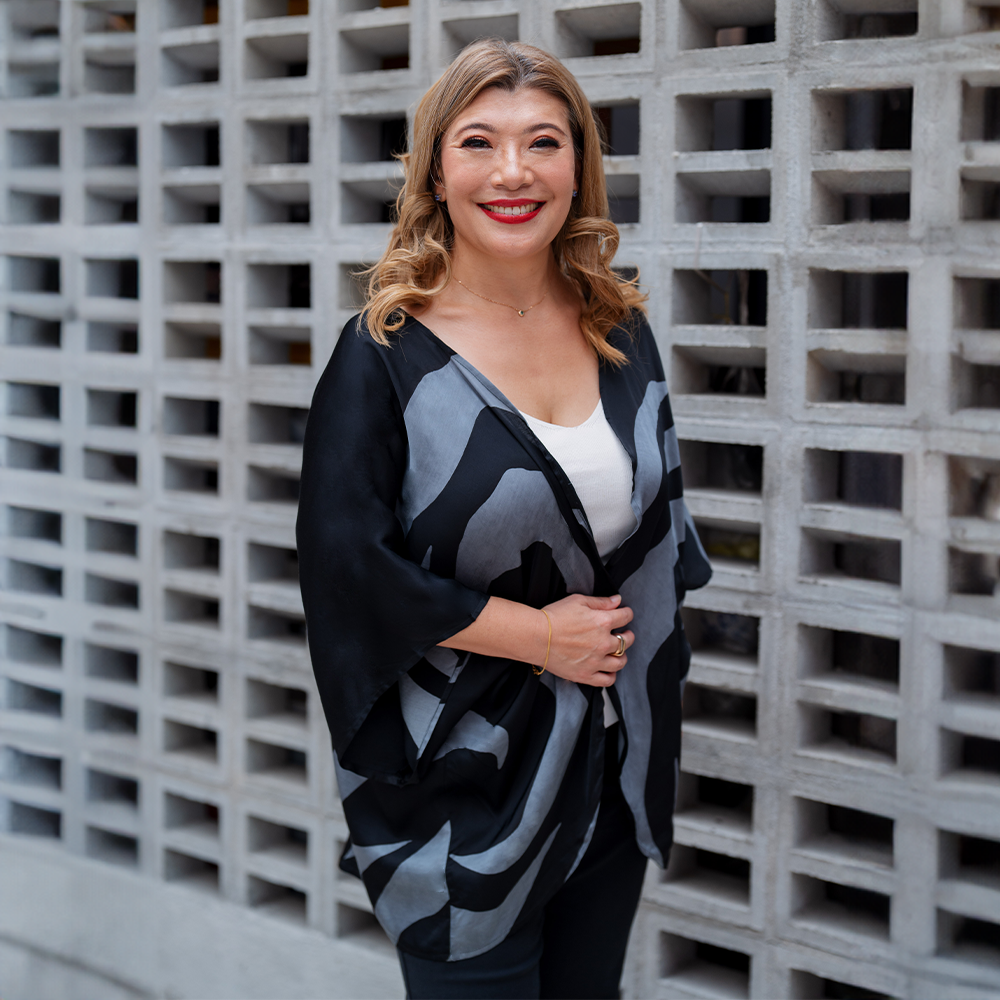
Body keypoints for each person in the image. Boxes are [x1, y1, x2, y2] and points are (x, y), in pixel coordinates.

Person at [296, 38, 711, 1000]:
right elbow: (345, 568)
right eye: (479, 142)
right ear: (437, 171)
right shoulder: (384, 354)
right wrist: (537, 636)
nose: (513, 172)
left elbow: (656, 523)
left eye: (544, 143)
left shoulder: (617, 327)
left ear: (579, 166)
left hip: (609, 767)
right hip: (459, 796)